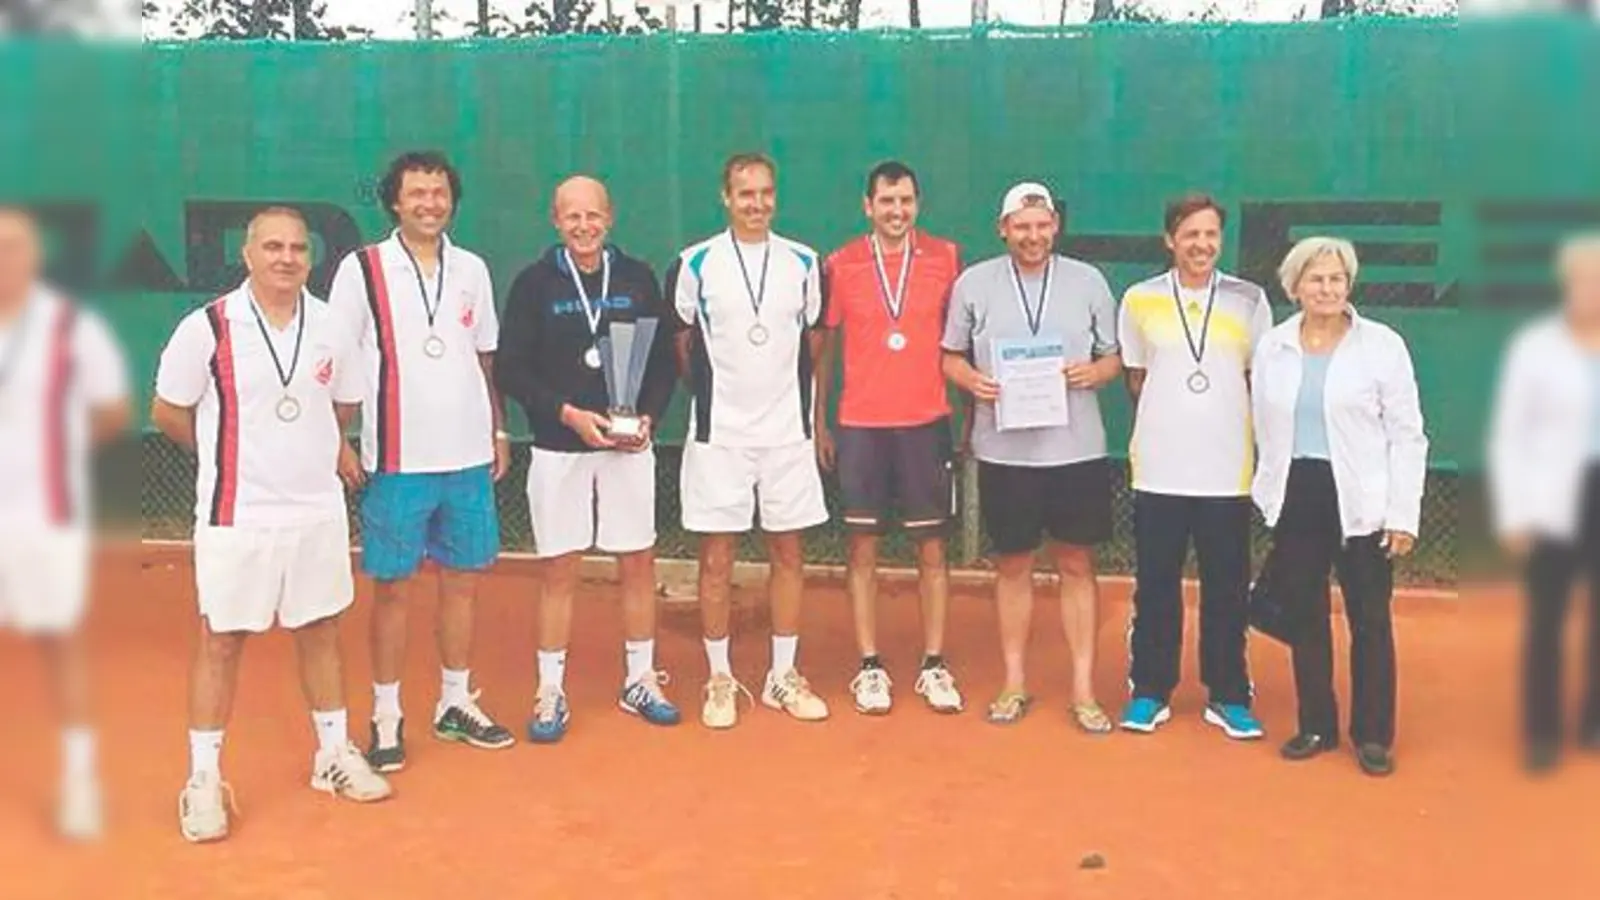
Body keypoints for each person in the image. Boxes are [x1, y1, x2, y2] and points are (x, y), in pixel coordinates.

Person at [152, 207, 393, 844]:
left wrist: (310, 453)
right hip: (237, 513)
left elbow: (342, 403)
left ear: (310, 260)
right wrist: (222, 452)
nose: (286, 258)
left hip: (315, 509)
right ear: (248, 255)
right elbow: (170, 411)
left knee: (320, 629)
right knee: (221, 641)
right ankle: (203, 780)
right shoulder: (207, 327)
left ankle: (333, 755)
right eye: (273, 247)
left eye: (297, 249)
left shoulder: (333, 326)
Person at [325, 151, 515, 772]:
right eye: (417, 193)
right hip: (396, 458)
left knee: (461, 585)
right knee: (394, 591)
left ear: (452, 201)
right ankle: (386, 714)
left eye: (439, 193)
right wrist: (340, 438)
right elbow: (337, 359)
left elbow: (484, 356)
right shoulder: (362, 269)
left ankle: (455, 702)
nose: (429, 203)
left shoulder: (474, 270)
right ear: (394, 202)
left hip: (466, 455)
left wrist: (498, 428)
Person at [495, 175, 682, 742]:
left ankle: (640, 678)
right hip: (560, 447)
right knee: (559, 569)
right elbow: (511, 369)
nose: (583, 226)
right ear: (555, 220)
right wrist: (567, 413)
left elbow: (664, 362)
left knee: (638, 563)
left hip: (627, 447)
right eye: (572, 216)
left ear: (610, 216)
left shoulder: (637, 278)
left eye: (593, 215)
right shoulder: (534, 284)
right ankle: (550, 688)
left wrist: (647, 416)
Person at [939, 182, 1121, 730]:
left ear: (1055, 227)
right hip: (1005, 451)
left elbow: (1113, 357)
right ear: (1003, 229)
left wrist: (1095, 373)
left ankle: (1085, 690)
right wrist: (972, 380)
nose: (1033, 235)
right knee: (1013, 564)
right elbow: (950, 357)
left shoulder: (1089, 281)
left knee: (1076, 563)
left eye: (1041, 225)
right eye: (1022, 226)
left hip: (1076, 451)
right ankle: (1014, 682)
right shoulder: (974, 284)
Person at [1249, 236, 1427, 777]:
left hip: (1363, 499)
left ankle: (1372, 735)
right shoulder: (1274, 346)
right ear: (1295, 286)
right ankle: (1317, 725)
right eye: (1316, 279)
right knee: (1304, 615)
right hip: (1298, 492)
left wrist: (1402, 513)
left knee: (1369, 618)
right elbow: (1266, 426)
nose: (1326, 289)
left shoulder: (1382, 346)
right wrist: (1268, 491)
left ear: (1348, 286)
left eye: (1336, 279)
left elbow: (1408, 434)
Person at [671, 151, 830, 729]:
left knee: (789, 553)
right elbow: (683, 341)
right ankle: (719, 677)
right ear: (726, 197)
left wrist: (800, 411)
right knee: (717, 558)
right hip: (720, 437)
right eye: (746, 194)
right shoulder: (695, 263)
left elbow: (813, 340)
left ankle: (781, 675)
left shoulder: (805, 263)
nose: (757, 203)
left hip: (787, 435)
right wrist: (719, 400)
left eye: (766, 193)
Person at [1116, 194, 1274, 740]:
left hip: (1227, 471)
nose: (1201, 245)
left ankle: (1228, 694)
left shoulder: (1249, 300)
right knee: (1155, 585)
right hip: (1159, 469)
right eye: (1190, 235)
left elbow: (1257, 379)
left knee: (1227, 586)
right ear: (1170, 240)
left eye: (1210, 235)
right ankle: (1150, 690)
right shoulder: (1138, 300)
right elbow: (1137, 378)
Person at [815, 161, 965, 716]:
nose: (896, 211)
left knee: (932, 547)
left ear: (917, 204)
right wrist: (820, 422)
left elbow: (961, 343)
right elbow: (822, 349)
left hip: (926, 421)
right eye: (886, 201)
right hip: (861, 425)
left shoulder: (947, 258)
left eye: (905, 201)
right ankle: (870, 666)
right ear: (867, 206)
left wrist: (969, 416)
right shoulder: (842, 263)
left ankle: (933, 663)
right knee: (863, 548)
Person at [0, 206, 131, 840]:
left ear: (34, 257)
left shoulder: (69, 327)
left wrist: (55, 450)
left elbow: (111, 410)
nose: (5, 259)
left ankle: (80, 781)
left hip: (46, 517)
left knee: (60, 646)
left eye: (15, 248)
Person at [1487, 232, 1600, 773]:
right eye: (1584, 282)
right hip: (1554, 493)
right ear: (1568, 286)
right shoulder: (1536, 347)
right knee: (1547, 618)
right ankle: (1541, 733)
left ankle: (1594, 722)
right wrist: (1516, 512)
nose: (1592, 291)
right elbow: (1511, 432)